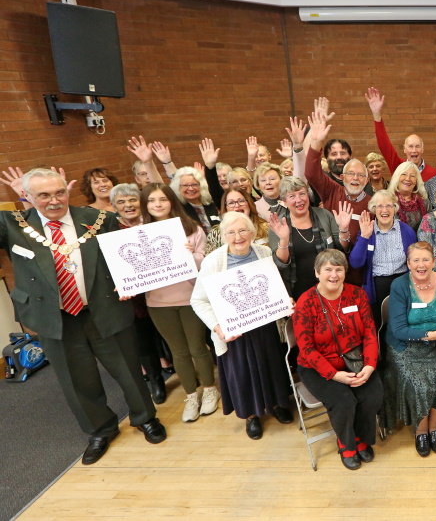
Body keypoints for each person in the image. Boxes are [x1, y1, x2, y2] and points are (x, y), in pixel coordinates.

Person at [0, 169, 167, 464]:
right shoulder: (13, 225)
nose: (54, 200)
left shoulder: (99, 219)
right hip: (54, 318)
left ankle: (145, 418)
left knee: (129, 370)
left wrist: (128, 280)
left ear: (68, 190)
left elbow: (126, 256)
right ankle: (100, 429)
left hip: (103, 309)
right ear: (28, 197)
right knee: (76, 380)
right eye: (44, 195)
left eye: (59, 192)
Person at [191, 212, 295, 439]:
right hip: (234, 332)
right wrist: (217, 327)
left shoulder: (264, 252)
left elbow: (272, 287)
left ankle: (277, 404)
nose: (238, 237)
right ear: (223, 235)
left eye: (243, 230)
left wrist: (284, 301)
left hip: (265, 326)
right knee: (243, 372)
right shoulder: (213, 261)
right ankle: (251, 416)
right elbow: (197, 300)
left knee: (272, 366)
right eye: (231, 232)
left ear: (252, 232)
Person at [293, 249, 382, 470]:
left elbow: (370, 332)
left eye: (339, 269)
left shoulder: (357, 295)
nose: (334, 275)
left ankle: (360, 437)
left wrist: (370, 365)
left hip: (355, 359)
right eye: (328, 269)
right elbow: (306, 349)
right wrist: (334, 375)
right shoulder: (306, 303)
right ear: (317, 273)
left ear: (345, 272)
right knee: (344, 401)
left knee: (372, 394)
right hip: (318, 366)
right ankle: (346, 442)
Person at [139, 183, 216, 422]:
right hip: (158, 301)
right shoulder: (138, 233)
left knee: (197, 348)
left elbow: (204, 262)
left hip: (190, 297)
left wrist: (188, 254)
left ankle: (210, 390)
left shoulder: (192, 228)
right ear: (146, 205)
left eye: (162, 199)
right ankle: (191, 396)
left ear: (172, 201)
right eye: (152, 201)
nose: (158, 204)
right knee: (178, 352)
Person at [385, 242, 436, 456]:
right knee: (418, 383)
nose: (421, 265)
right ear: (408, 263)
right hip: (405, 347)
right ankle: (420, 430)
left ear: (434, 262)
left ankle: (434, 426)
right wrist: (433, 334)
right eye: (416, 260)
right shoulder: (399, 285)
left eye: (426, 259)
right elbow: (399, 329)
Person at [110, 183, 169, 404]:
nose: (128, 205)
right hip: (134, 298)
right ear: (114, 206)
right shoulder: (110, 230)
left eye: (132, 200)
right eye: (121, 202)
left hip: (164, 291)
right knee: (144, 342)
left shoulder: (155, 223)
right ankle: (156, 381)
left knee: (169, 335)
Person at [295, 111, 371, 248]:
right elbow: (311, 173)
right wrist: (316, 141)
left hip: (360, 262)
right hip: (333, 258)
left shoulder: (373, 203)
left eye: (360, 175)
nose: (355, 178)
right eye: (351, 174)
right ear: (342, 177)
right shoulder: (333, 190)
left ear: (366, 180)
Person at [268, 176, 345, 300]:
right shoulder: (278, 224)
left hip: (329, 286)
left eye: (302, 194)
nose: (299, 200)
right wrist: (284, 239)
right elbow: (280, 263)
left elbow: (341, 248)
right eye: (292, 196)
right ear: (284, 201)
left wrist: (344, 229)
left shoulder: (324, 215)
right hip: (297, 290)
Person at [349, 190, 416, 326]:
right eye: (379, 206)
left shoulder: (406, 231)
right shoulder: (367, 230)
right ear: (374, 209)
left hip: (402, 283)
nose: (384, 210)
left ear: (395, 208)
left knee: (401, 323)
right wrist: (364, 237)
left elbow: (414, 261)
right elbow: (355, 263)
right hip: (376, 286)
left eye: (388, 206)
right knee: (378, 325)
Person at [365, 87, 436, 181]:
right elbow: (384, 146)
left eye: (417, 146)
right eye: (410, 146)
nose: (414, 150)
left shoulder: (433, 174)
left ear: (422, 149)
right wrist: (376, 115)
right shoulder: (397, 166)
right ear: (404, 149)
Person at [206, 187, 269, 253]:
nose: (237, 205)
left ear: (249, 204)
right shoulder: (216, 233)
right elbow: (211, 260)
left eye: (241, 201)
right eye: (231, 203)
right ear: (225, 207)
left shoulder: (266, 227)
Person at [170, 166, 219, 233]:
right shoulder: (177, 209)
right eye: (185, 185)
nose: (191, 188)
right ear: (178, 187)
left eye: (194, 184)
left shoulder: (211, 204)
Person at [387, 162, 428, 231]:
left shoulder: (424, 202)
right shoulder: (388, 201)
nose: (408, 179)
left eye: (412, 176)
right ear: (397, 177)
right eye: (404, 174)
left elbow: (429, 227)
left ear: (416, 180)